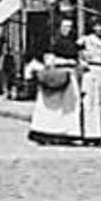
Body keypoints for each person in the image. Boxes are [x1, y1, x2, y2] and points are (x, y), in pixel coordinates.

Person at [27, 16, 84, 145]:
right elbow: (47, 58)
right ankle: (44, 131)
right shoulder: (54, 43)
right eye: (64, 27)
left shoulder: (74, 44)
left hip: (69, 77)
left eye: (70, 27)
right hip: (55, 74)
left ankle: (66, 132)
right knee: (50, 106)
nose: (67, 30)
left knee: (68, 106)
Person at [77, 18, 101, 145]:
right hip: (90, 72)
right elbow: (76, 52)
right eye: (97, 26)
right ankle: (88, 134)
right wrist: (82, 63)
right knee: (89, 103)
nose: (99, 29)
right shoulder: (86, 40)